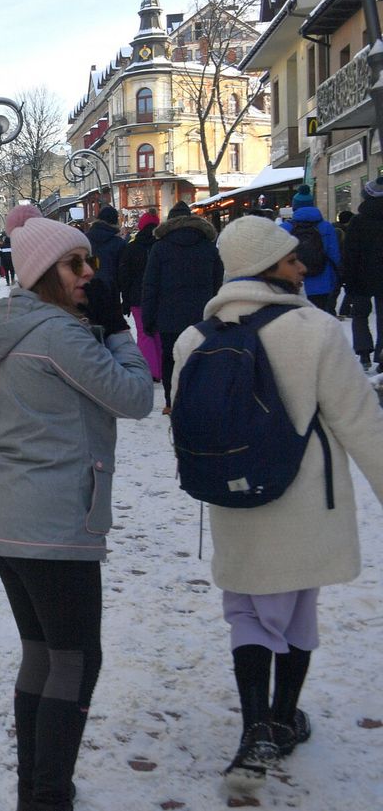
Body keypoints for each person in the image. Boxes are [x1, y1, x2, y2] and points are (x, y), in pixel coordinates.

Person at [171, 215, 383, 791]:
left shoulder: (195, 338)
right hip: (305, 493)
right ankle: (285, 718)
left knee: (247, 610)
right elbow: (361, 422)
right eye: (292, 259)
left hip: (234, 498)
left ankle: (255, 729)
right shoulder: (315, 329)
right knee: (296, 609)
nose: (303, 267)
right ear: (267, 266)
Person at [0, 203, 154, 811]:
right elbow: (134, 396)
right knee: (77, 659)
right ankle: (47, 796)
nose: (88, 273)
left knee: (43, 655)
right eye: (74, 263)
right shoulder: (59, 335)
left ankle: (37, 785)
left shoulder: (20, 329)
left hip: (7, 521)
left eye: (89, 261)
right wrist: (121, 330)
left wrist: (99, 328)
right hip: (52, 522)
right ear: (44, 271)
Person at [141, 201, 223, 411]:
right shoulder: (208, 246)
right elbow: (217, 281)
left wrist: (148, 319)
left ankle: (171, 401)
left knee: (171, 359)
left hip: (169, 316)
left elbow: (150, 285)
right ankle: (199, 400)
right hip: (201, 314)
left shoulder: (160, 248)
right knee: (200, 358)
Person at [280, 184, 341, 314]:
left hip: (294, 282)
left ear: (294, 206)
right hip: (322, 281)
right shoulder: (326, 227)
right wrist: (335, 278)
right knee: (320, 319)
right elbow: (334, 255)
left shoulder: (285, 228)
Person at [117, 209, 162, 382]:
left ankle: (150, 369)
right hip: (159, 296)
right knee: (157, 331)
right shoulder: (161, 246)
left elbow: (125, 276)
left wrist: (126, 300)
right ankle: (161, 368)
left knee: (144, 332)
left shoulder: (132, 248)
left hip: (137, 296)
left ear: (141, 226)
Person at [343, 178, 383, 368]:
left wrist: (348, 280)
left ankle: (364, 351)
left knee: (359, 315)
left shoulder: (358, 221)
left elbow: (350, 253)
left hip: (361, 277)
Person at [85, 205, 125, 287]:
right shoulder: (119, 243)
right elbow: (122, 271)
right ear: (115, 222)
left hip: (87, 287)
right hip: (110, 289)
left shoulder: (85, 239)